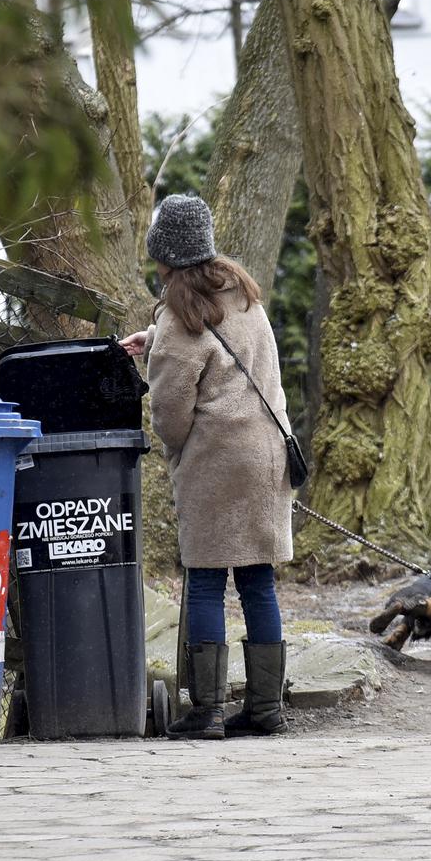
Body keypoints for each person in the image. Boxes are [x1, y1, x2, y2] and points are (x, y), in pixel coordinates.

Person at [121, 194, 293, 741]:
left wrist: (177, 453)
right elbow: (230, 351)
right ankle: (267, 708)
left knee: (203, 581)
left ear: (165, 256)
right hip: (269, 450)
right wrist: (155, 341)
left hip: (217, 461)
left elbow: (170, 414)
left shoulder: (178, 315)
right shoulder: (244, 296)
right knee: (258, 581)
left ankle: (208, 710)